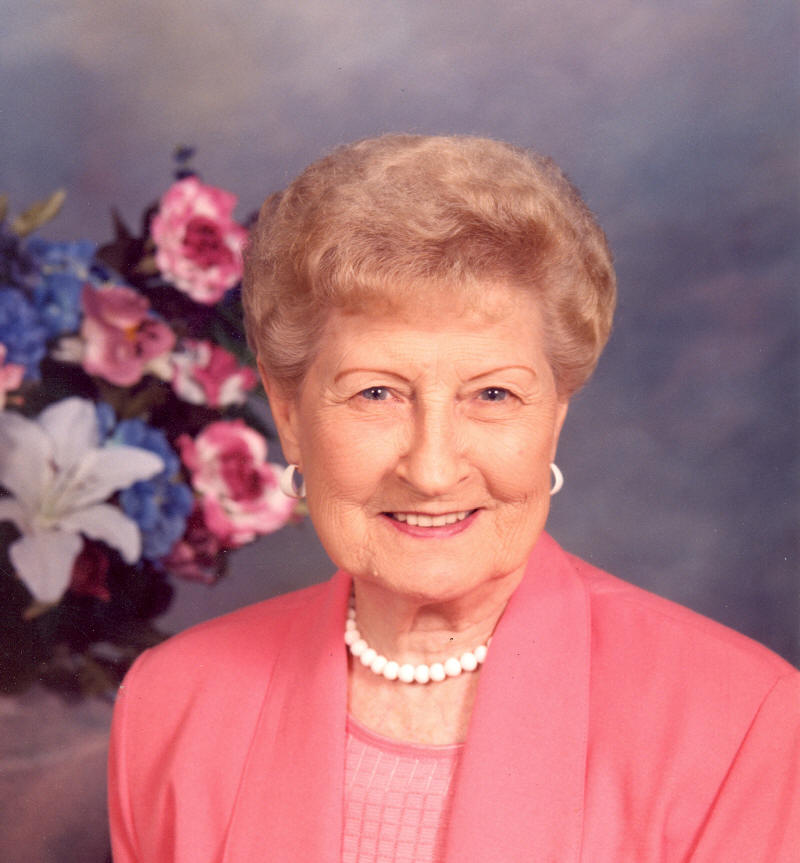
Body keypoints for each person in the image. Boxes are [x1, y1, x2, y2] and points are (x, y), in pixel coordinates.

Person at [108, 135, 799, 862]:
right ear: (288, 415)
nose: (432, 471)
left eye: (493, 394)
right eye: (376, 393)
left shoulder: (740, 723)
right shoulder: (172, 703)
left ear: (555, 414)